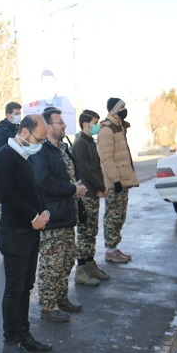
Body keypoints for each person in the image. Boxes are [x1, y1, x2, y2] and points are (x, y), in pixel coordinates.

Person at [0, 114, 53, 353]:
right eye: (40, 139)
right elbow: (8, 195)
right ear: (25, 132)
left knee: (26, 287)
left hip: (29, 231)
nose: (41, 144)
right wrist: (32, 216)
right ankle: (11, 342)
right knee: (14, 289)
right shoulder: (4, 156)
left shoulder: (25, 155)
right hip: (15, 233)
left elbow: (33, 189)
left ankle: (24, 335)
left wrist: (43, 211)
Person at [32, 108, 88, 326]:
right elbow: (44, 182)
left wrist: (78, 186)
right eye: (60, 122)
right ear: (48, 127)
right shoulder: (41, 151)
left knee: (66, 261)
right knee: (52, 264)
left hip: (68, 213)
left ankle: (61, 298)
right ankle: (48, 306)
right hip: (52, 217)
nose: (64, 126)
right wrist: (72, 189)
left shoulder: (63, 148)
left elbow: (72, 174)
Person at [97, 98, 139, 263]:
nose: (124, 110)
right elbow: (106, 158)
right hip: (116, 182)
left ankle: (114, 247)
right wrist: (115, 180)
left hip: (123, 180)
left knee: (120, 215)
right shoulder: (107, 129)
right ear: (114, 109)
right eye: (122, 107)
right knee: (113, 216)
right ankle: (110, 250)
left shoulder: (119, 127)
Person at [72, 110, 111, 283]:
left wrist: (102, 186)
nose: (97, 126)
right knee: (85, 231)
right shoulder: (80, 143)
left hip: (93, 193)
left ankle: (89, 263)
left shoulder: (89, 142)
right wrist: (101, 186)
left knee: (92, 231)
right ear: (85, 124)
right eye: (95, 123)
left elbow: (97, 168)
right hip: (86, 194)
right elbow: (86, 171)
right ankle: (81, 269)